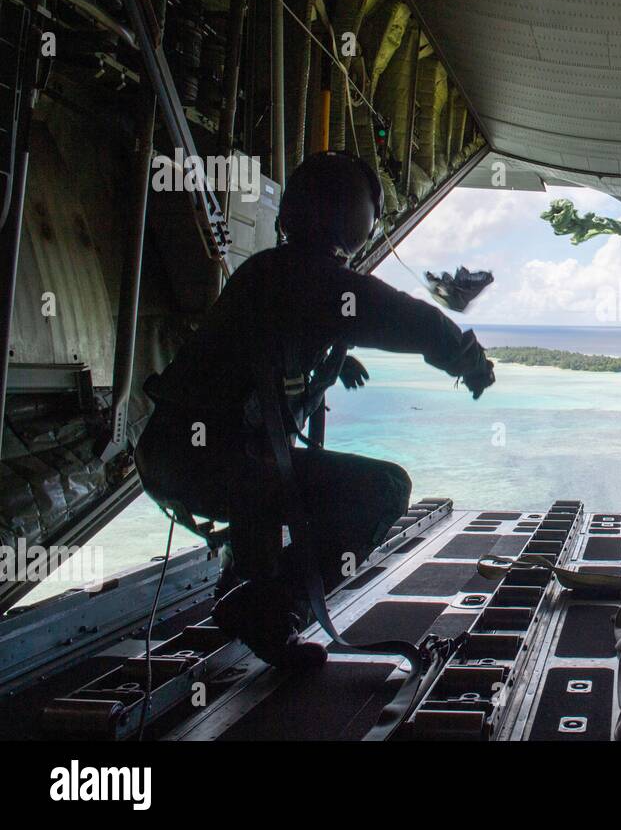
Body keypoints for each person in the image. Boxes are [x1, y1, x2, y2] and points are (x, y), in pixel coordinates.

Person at [135, 151, 495, 668]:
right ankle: (273, 607)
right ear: (355, 221)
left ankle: (248, 590)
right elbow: (407, 319)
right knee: (385, 489)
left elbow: (304, 328)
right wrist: (466, 358)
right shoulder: (307, 277)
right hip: (216, 462)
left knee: (275, 483)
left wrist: (336, 363)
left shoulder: (273, 271)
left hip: (187, 457)